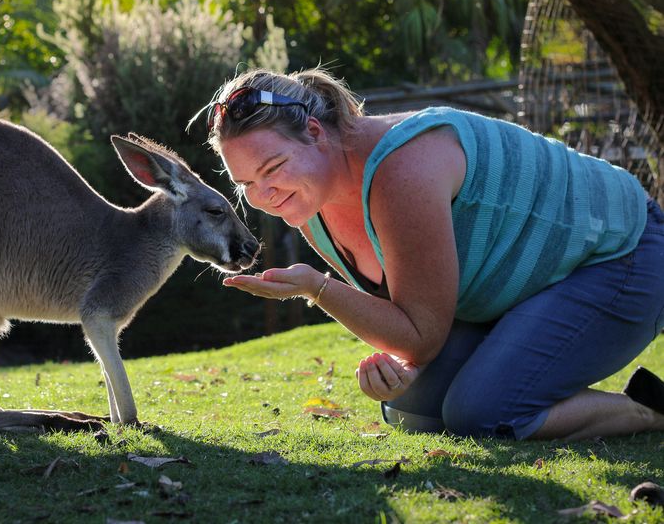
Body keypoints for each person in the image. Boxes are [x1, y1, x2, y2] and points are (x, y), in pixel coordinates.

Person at [191, 66, 664, 441]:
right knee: (410, 406)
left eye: (273, 167)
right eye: (245, 183)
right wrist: (397, 366)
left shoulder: (404, 170)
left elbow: (420, 335)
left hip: (622, 254)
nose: (264, 195)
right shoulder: (311, 206)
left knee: (480, 413)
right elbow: (409, 319)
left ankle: (648, 409)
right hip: (526, 289)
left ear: (314, 131)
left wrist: (318, 288)